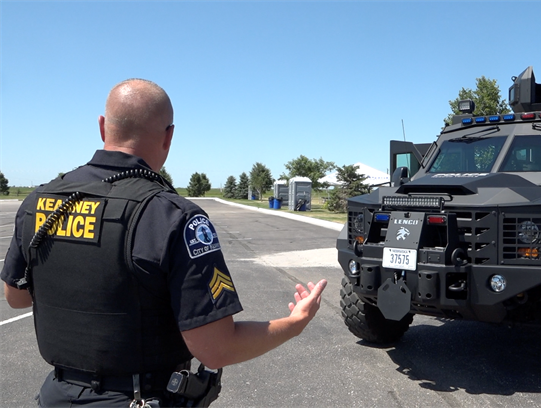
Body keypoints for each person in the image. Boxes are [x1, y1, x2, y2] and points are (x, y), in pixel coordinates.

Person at [1, 78, 327, 407]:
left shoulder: (39, 201)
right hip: (139, 398)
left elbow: (15, 297)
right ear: (169, 136)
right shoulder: (172, 216)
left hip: (55, 396)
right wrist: (294, 324)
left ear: (102, 127)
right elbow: (217, 348)